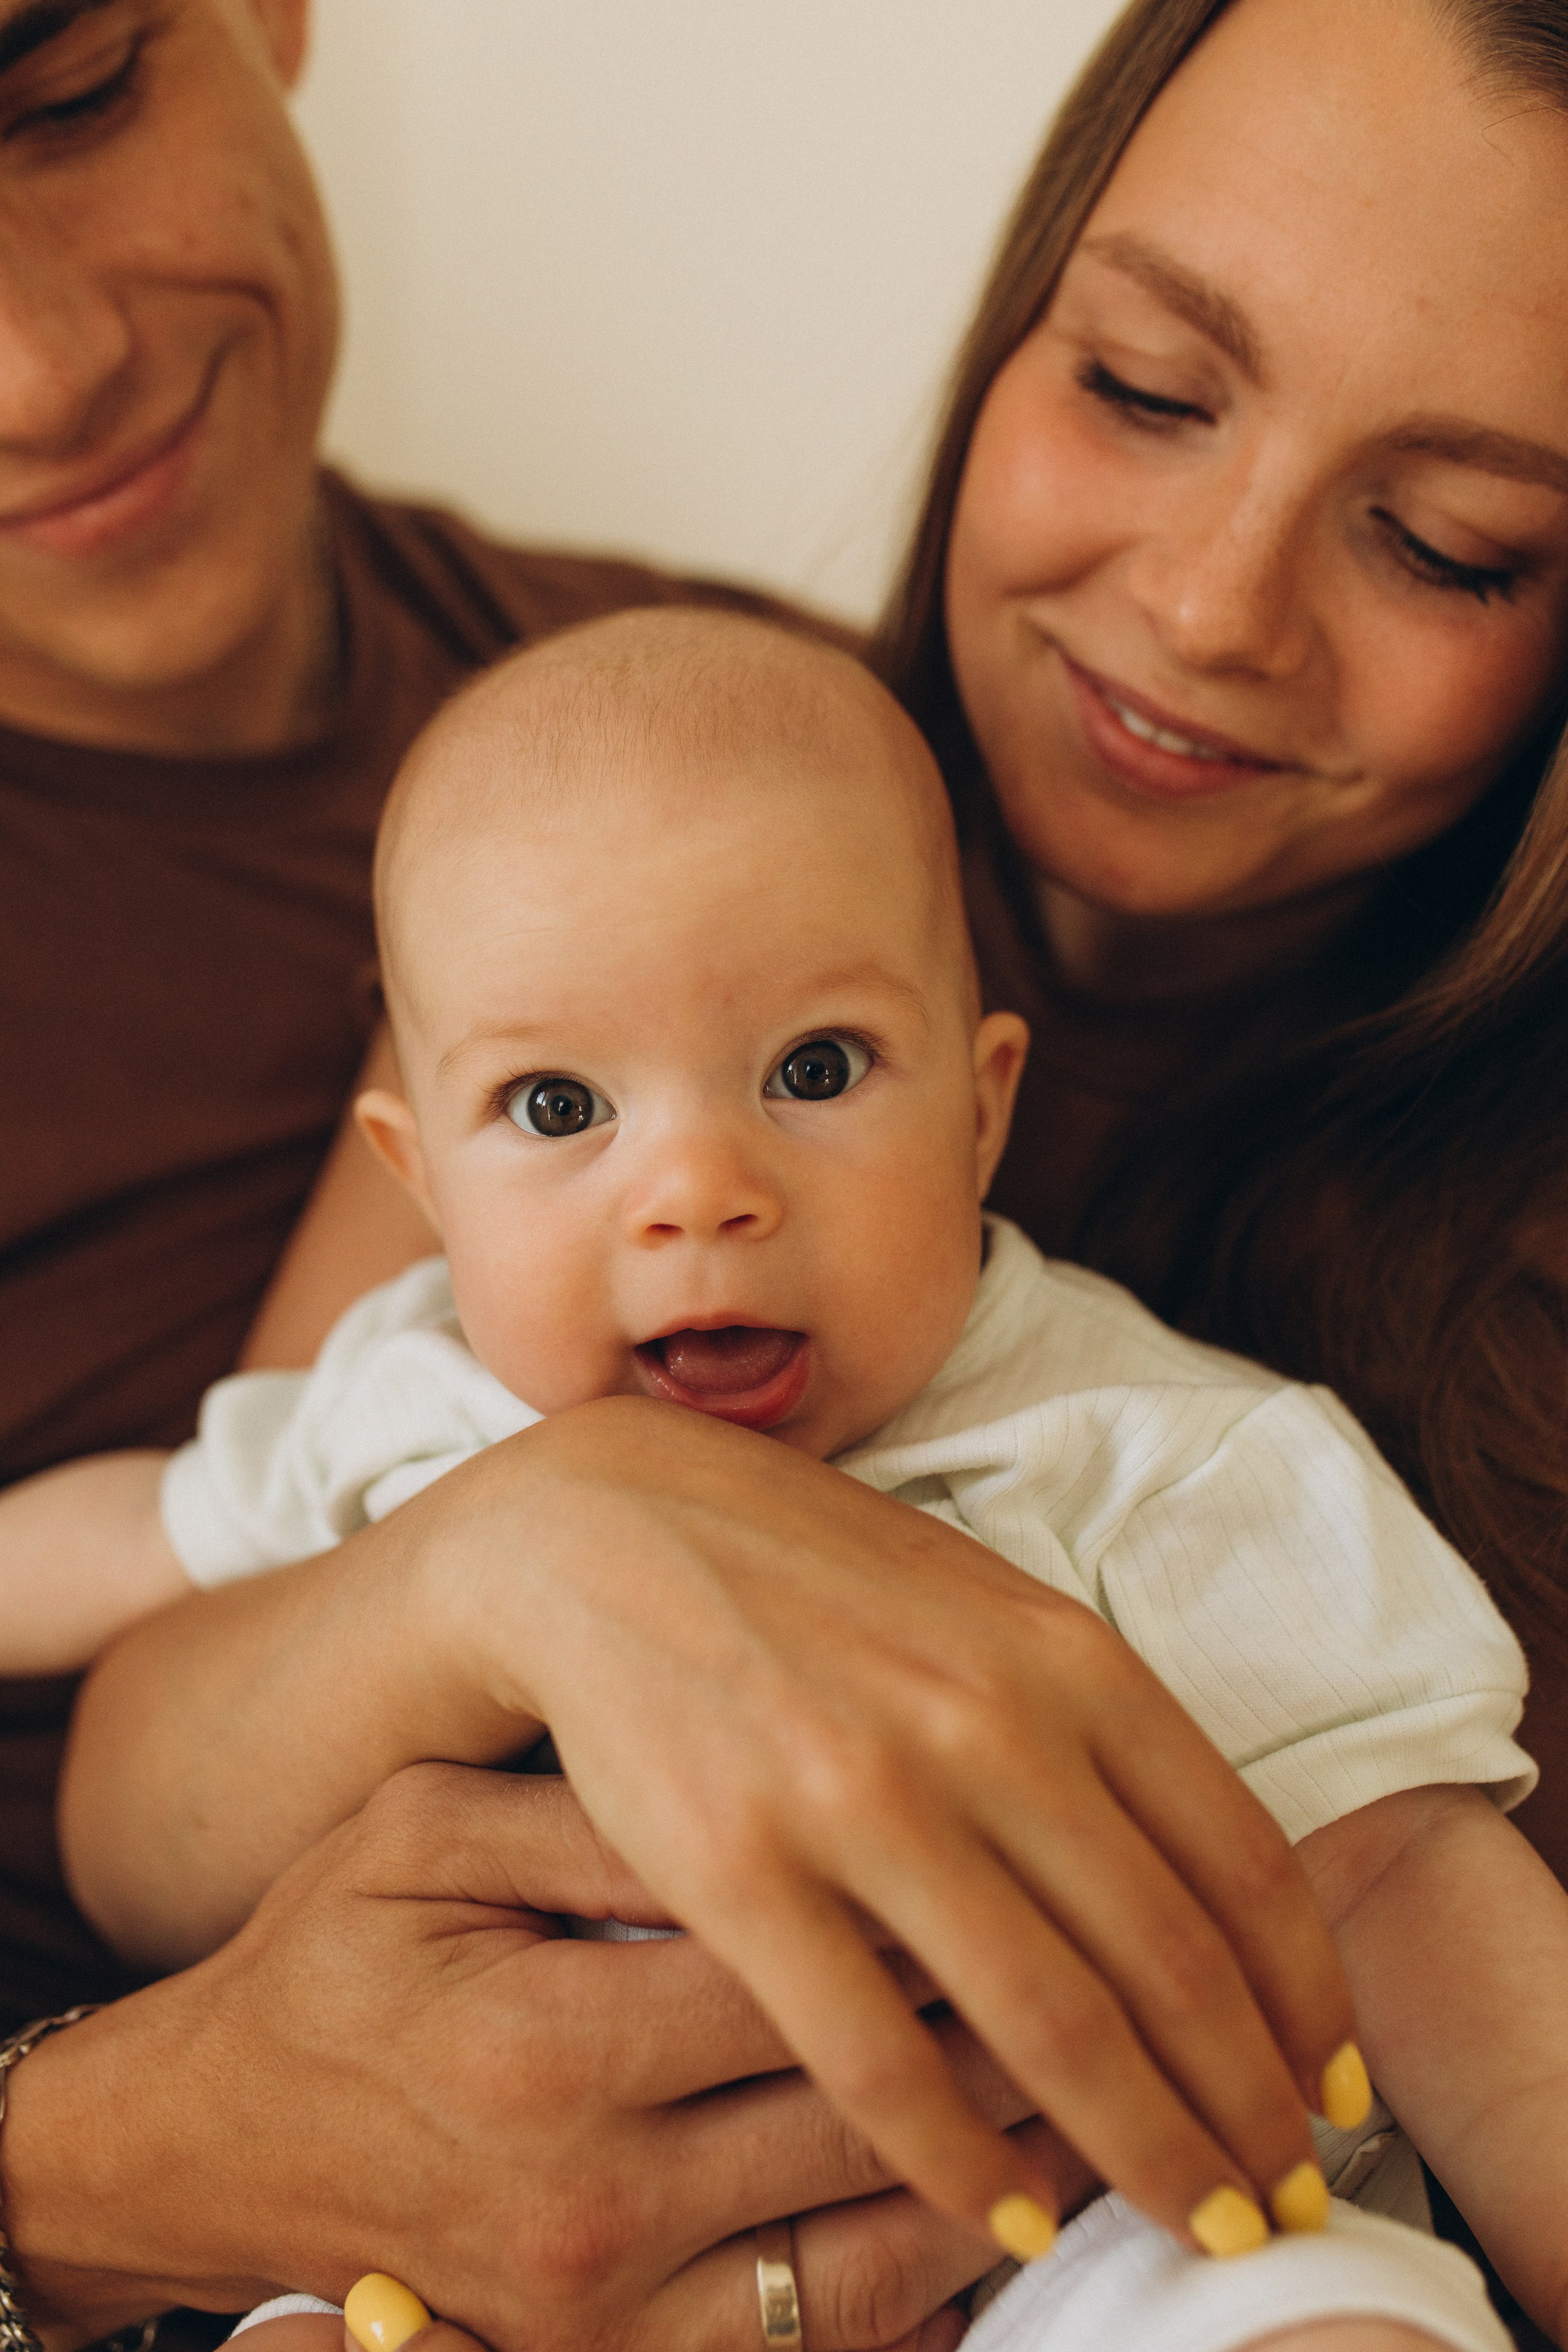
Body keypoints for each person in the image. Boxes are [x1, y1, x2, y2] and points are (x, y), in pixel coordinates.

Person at [5, 0, 1567, 2346]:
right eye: (1142, 386)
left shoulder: (1168, 1434)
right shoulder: (602, 859)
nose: (1209, 612)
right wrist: (533, 1546)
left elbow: (1417, 1893)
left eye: (1454, 545)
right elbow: (164, 1722)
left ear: (988, 1096)